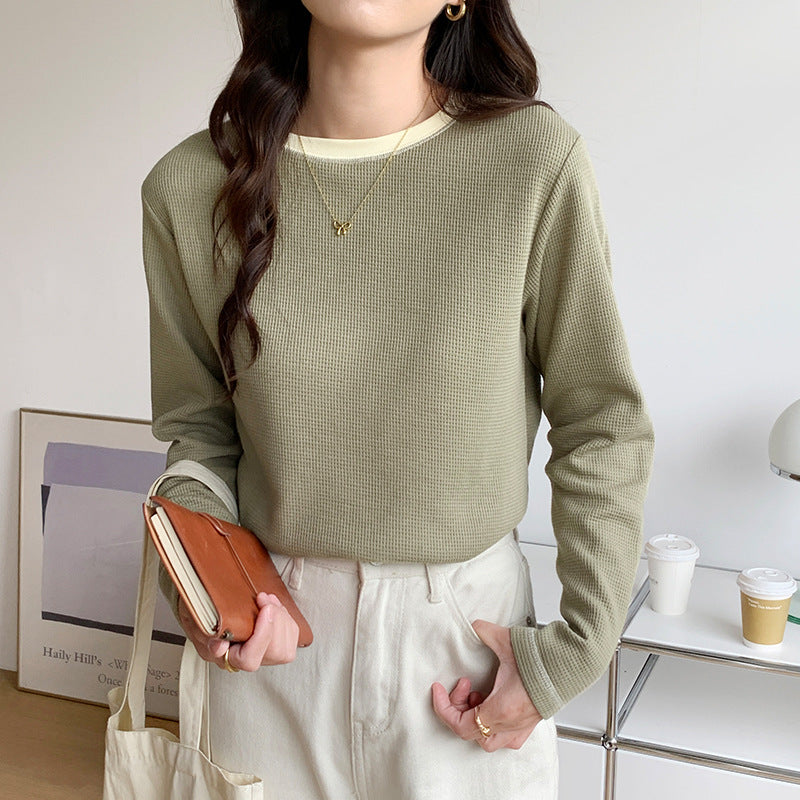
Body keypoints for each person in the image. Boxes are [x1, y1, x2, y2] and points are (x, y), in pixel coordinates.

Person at [141, 1, 655, 798]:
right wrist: (206, 591)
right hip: (272, 644)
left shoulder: (532, 161)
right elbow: (199, 434)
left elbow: (603, 422)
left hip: (465, 653)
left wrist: (574, 651)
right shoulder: (189, 186)